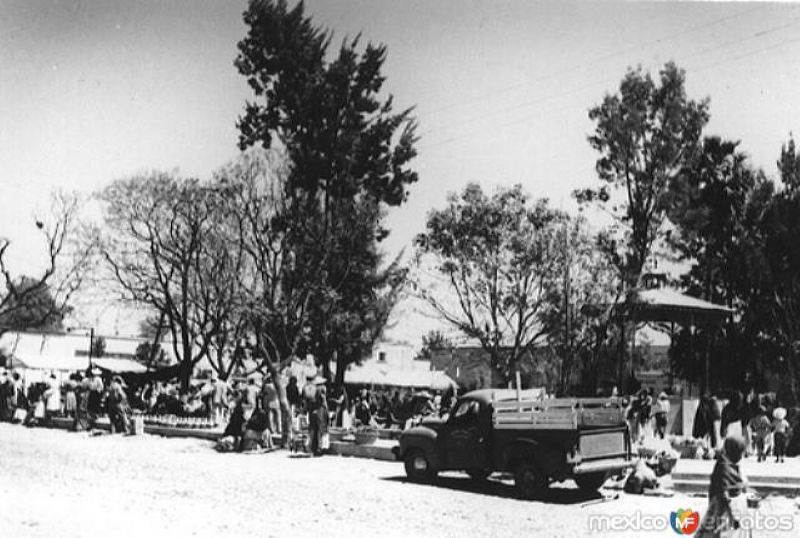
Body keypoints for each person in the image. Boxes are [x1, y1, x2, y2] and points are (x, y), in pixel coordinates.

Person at [696, 435, 748, 538]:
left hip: (731, 506)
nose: (741, 457)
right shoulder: (724, 467)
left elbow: (739, 484)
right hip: (723, 509)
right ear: (734, 452)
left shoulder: (730, 464)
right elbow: (725, 493)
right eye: (740, 453)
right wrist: (732, 515)